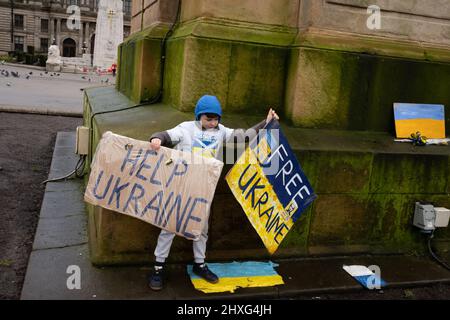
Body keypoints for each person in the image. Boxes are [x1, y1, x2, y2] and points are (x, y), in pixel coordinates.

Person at [147, 95, 279, 291]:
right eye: (208, 119)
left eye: (215, 119)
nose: (212, 123)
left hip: (203, 190)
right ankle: (158, 268)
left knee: (202, 229)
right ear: (199, 116)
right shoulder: (186, 128)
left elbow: (244, 136)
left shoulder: (221, 131)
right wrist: (157, 138)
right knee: (169, 228)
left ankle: (200, 264)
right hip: (180, 188)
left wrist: (266, 123)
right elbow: (167, 134)